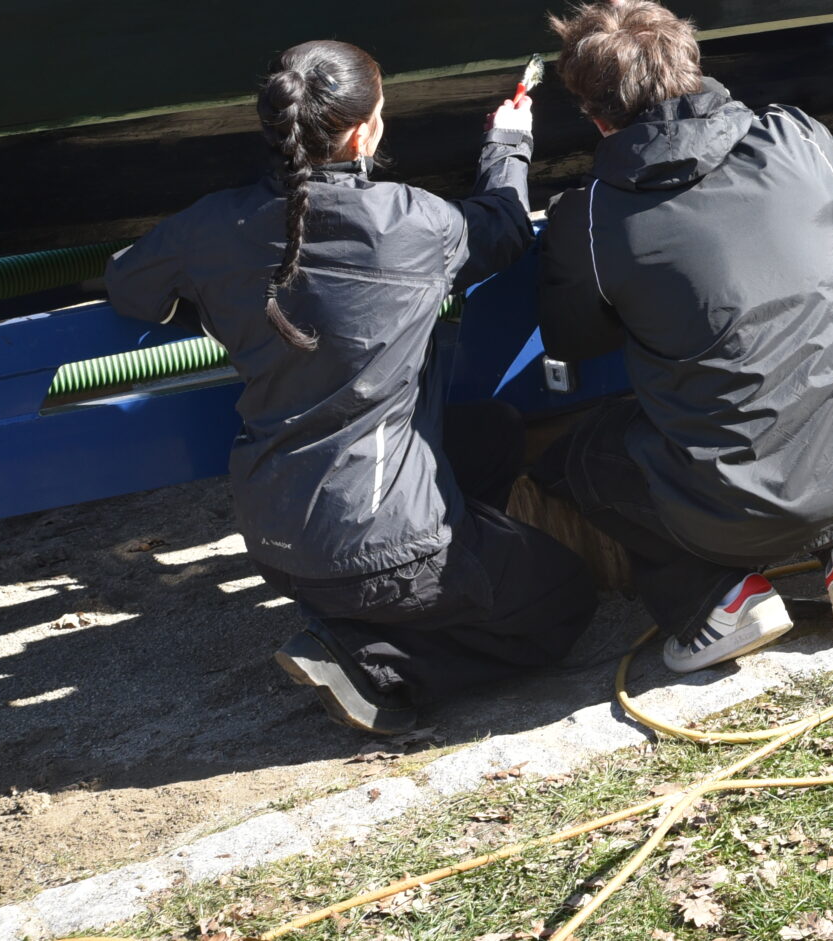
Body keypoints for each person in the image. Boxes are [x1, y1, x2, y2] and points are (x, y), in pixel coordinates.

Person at [106, 41, 595, 736]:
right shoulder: (415, 225)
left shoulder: (208, 225)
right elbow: (506, 226)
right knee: (566, 600)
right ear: (366, 130)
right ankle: (373, 660)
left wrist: (227, 302)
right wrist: (508, 142)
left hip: (273, 531)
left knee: (494, 434)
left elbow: (128, 282)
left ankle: (396, 599)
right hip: (381, 544)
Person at [532, 0, 833, 674]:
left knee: (586, 456)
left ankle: (717, 598)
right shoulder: (796, 136)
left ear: (595, 119)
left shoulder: (589, 220)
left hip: (729, 509)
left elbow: (574, 337)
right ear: (693, 62)